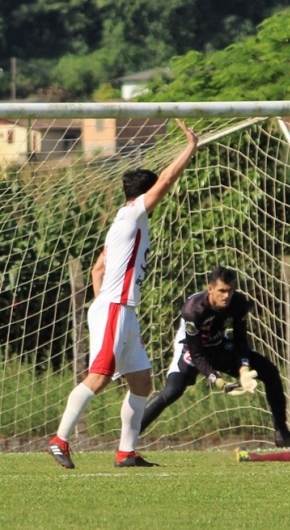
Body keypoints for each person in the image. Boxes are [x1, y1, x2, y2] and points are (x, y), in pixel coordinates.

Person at [47, 119, 199, 469]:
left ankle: (126, 452)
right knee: (98, 377)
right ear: (144, 195)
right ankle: (59, 439)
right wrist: (190, 146)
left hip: (119, 309)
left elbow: (98, 269)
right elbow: (167, 179)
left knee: (142, 382)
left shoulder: (123, 221)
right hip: (116, 308)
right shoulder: (133, 216)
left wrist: (105, 302)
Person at [140, 266, 290, 451]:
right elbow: (197, 355)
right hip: (191, 349)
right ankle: (130, 437)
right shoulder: (193, 310)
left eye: (230, 290)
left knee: (270, 372)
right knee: (173, 390)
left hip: (219, 345)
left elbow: (241, 341)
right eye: (221, 291)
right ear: (210, 289)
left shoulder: (238, 303)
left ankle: (282, 433)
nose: (226, 296)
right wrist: (219, 381)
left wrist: (244, 369)